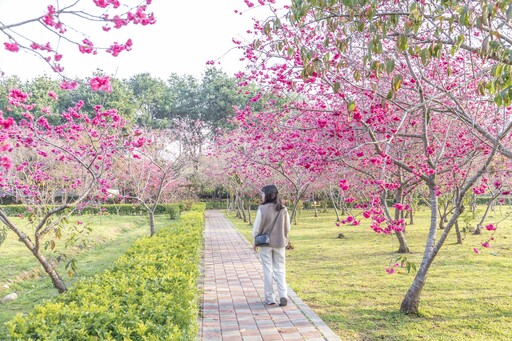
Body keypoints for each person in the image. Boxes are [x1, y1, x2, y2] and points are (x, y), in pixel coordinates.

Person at [252, 185, 291, 307]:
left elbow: (256, 228)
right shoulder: (283, 209)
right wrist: (283, 237)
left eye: (263, 194)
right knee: (280, 269)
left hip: (265, 244)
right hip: (280, 243)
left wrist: (254, 241)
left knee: (267, 270)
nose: (261, 196)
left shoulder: (262, 209)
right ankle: (283, 295)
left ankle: (270, 298)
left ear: (268, 195)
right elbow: (288, 228)